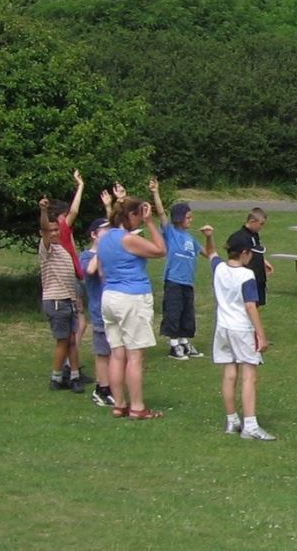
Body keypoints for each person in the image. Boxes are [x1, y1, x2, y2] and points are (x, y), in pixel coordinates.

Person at [98, 194, 168, 419]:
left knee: (117, 354)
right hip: (131, 297)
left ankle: (119, 404)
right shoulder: (126, 239)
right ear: (131, 215)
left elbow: (101, 270)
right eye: (139, 215)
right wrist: (150, 223)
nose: (141, 219)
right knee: (135, 355)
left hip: (109, 295)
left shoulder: (104, 236)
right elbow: (160, 250)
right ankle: (137, 407)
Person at [204, 227, 275, 441]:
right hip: (241, 329)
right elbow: (250, 306)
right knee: (249, 376)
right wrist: (261, 334)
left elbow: (211, 253)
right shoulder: (246, 275)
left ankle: (232, 419)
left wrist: (209, 237)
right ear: (244, 253)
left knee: (229, 372)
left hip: (222, 328)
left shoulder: (219, 268)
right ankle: (250, 425)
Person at [150, 179, 203, 361]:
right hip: (174, 280)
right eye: (188, 217)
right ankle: (174, 346)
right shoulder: (171, 232)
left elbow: (206, 252)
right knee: (173, 311)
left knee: (187, 312)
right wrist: (156, 192)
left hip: (188, 281)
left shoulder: (190, 238)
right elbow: (162, 214)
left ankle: (184, 341)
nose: (191, 220)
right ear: (179, 218)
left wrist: (210, 239)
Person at [39, 197, 85, 393]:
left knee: (73, 339)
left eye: (57, 229)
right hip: (56, 301)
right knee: (63, 340)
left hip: (69, 301)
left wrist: (75, 300)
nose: (55, 233)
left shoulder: (63, 250)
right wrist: (43, 211)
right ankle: (56, 377)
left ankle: (74, 376)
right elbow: (44, 230)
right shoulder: (46, 249)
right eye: (51, 231)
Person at [78, 215, 115, 406]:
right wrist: (101, 250)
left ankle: (111, 387)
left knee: (114, 351)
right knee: (103, 352)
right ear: (94, 234)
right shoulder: (86, 256)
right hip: (99, 311)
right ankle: (101, 389)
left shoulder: (109, 253)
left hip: (114, 309)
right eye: (105, 231)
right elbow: (89, 271)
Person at [229, 208, 272, 308]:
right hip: (247, 278)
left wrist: (263, 262)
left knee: (256, 306)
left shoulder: (254, 235)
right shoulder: (238, 237)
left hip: (258, 277)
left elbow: (255, 251)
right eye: (261, 224)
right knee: (248, 306)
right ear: (252, 221)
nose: (262, 227)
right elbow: (233, 256)